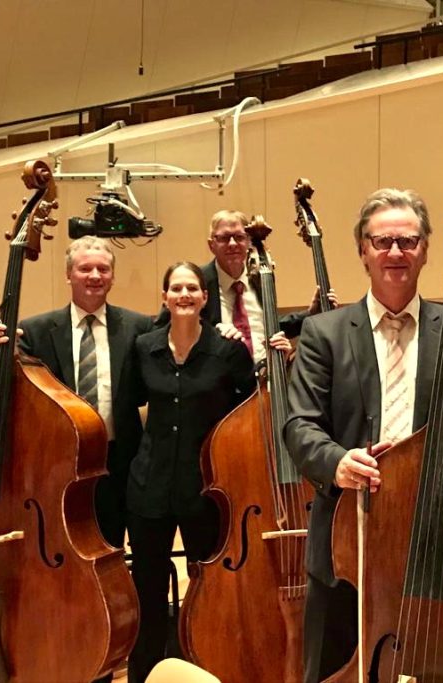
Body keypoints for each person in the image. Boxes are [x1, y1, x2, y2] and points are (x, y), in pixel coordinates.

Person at [283, 188, 443, 683]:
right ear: (363, 251)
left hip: (439, 533)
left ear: (426, 249)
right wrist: (338, 461)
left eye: (408, 241)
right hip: (347, 536)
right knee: (334, 670)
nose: (395, 252)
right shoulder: (323, 332)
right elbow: (299, 424)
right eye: (382, 241)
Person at [125, 261, 289, 682]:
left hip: (206, 489)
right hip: (150, 486)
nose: (184, 295)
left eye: (192, 288)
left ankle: (205, 669)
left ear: (204, 297)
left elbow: (254, 405)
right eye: (176, 288)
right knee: (147, 589)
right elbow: (129, 402)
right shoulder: (144, 347)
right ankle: (147, 675)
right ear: (165, 297)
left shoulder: (227, 350)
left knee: (207, 587)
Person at [0, 236, 152, 551]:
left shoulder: (140, 326)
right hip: (59, 462)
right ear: (68, 275)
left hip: (120, 461)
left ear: (112, 277)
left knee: (114, 549)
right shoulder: (34, 330)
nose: (95, 276)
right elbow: (10, 388)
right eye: (85, 268)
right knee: (64, 548)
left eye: (103, 269)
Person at [156, 209, 337, 365]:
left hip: (264, 376)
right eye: (224, 238)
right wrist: (209, 336)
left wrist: (310, 314)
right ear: (211, 245)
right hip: (217, 380)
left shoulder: (262, 276)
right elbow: (163, 329)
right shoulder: (195, 282)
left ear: (249, 241)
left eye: (239, 237)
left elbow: (265, 325)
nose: (232, 244)